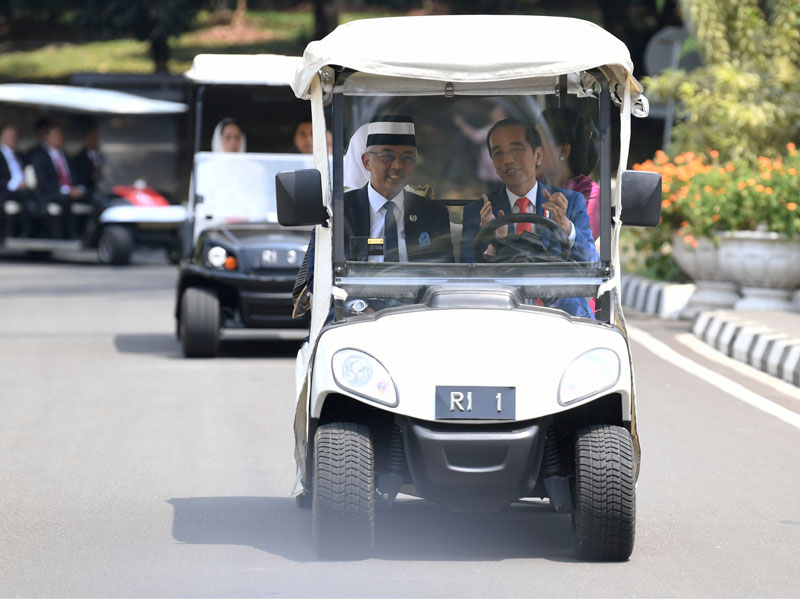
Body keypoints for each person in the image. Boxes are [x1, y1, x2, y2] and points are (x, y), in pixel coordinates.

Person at [295, 116, 454, 316]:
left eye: (407, 157)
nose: (397, 165)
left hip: (418, 316)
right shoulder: (338, 213)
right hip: (354, 317)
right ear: (366, 162)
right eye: (387, 156)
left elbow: (444, 276)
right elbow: (318, 279)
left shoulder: (432, 214)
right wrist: (359, 306)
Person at [460, 118, 597, 318]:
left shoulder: (570, 202)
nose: (507, 160)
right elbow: (466, 280)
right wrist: (492, 243)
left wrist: (567, 227)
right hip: (497, 314)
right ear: (493, 165)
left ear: (538, 156)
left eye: (516, 149)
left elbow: (591, 264)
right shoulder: (479, 212)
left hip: (559, 315)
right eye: (498, 153)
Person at [536, 107, 600, 239]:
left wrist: (565, 225)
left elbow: (583, 248)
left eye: (538, 144)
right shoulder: (531, 185)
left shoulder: (589, 193)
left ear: (563, 152)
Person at [27, 120, 87, 238]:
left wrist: (77, 188)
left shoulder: (66, 156)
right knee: (66, 199)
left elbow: (74, 177)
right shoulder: (40, 157)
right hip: (52, 193)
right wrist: (66, 190)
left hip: (70, 191)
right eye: (55, 135)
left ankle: (90, 234)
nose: (59, 138)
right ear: (47, 137)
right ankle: (71, 235)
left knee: (93, 196)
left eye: (60, 135)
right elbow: (43, 183)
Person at [451, 103, 507, 189]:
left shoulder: (495, 128)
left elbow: (475, 136)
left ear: (500, 113)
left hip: (495, 172)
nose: (491, 114)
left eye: (494, 112)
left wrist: (460, 123)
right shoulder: (509, 127)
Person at [0, 124, 35, 237]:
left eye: (15, 136)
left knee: (32, 195)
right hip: (4, 188)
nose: (13, 139)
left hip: (21, 189)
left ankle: (29, 232)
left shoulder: (18, 155)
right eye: (10, 136)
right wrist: (14, 185)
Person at [70, 123, 103, 200]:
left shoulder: (102, 155)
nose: (94, 139)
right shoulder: (78, 158)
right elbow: (77, 178)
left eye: (96, 136)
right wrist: (92, 177)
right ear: (86, 138)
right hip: (87, 191)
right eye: (91, 136)